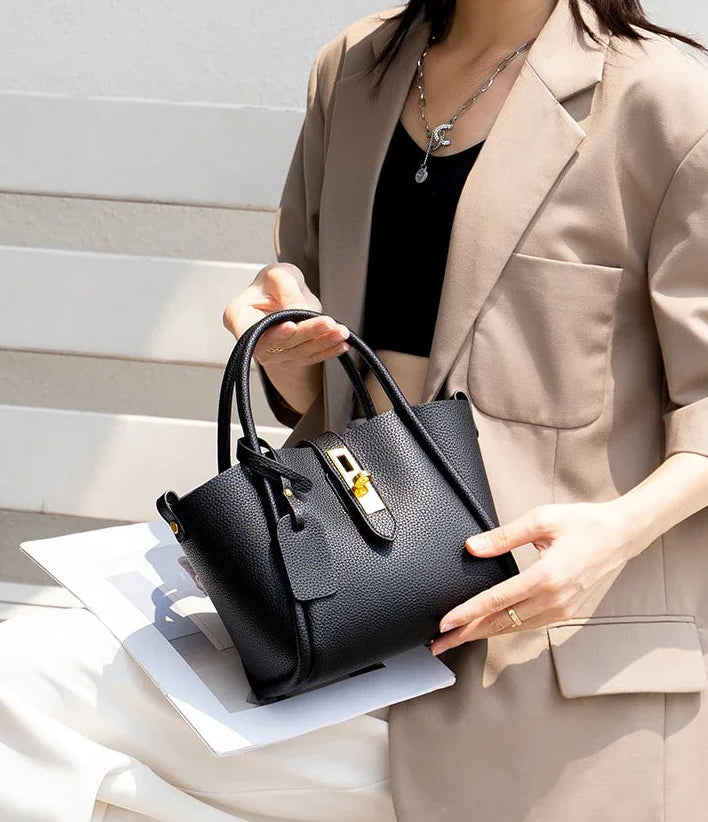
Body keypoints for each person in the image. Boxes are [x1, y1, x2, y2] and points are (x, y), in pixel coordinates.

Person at [2, 0, 708, 820]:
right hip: (334, 620)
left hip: (535, 662)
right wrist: (285, 352)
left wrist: (610, 536)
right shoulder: (355, 68)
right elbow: (324, 391)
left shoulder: (667, 99)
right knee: (24, 680)